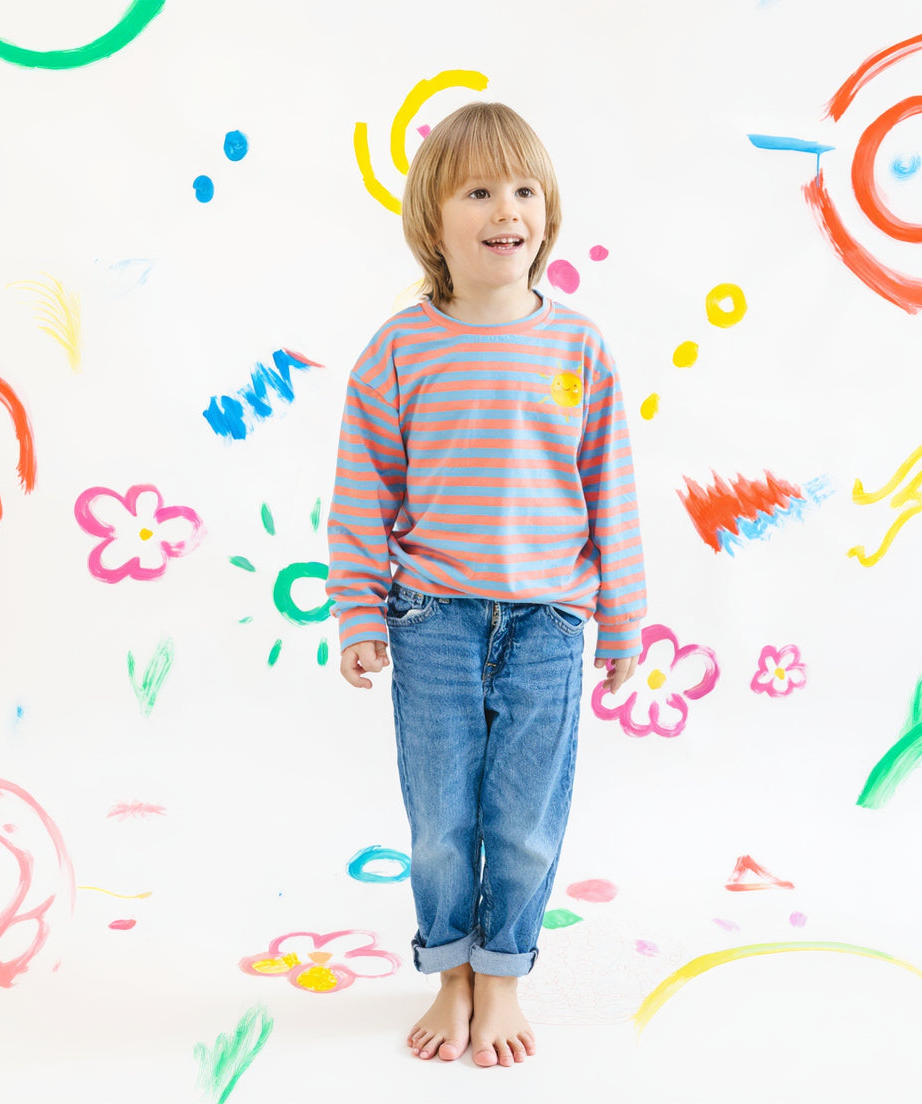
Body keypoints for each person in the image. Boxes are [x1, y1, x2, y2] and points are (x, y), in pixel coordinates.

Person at [326, 101, 646, 1068]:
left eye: (524, 189)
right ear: (434, 221)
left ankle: (500, 970)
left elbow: (611, 491)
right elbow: (360, 494)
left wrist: (623, 623)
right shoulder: (399, 348)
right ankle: (449, 967)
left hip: (549, 621)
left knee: (524, 821)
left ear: (546, 213)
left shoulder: (578, 349)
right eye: (478, 190)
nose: (506, 207)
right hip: (431, 621)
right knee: (440, 820)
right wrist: (355, 612)